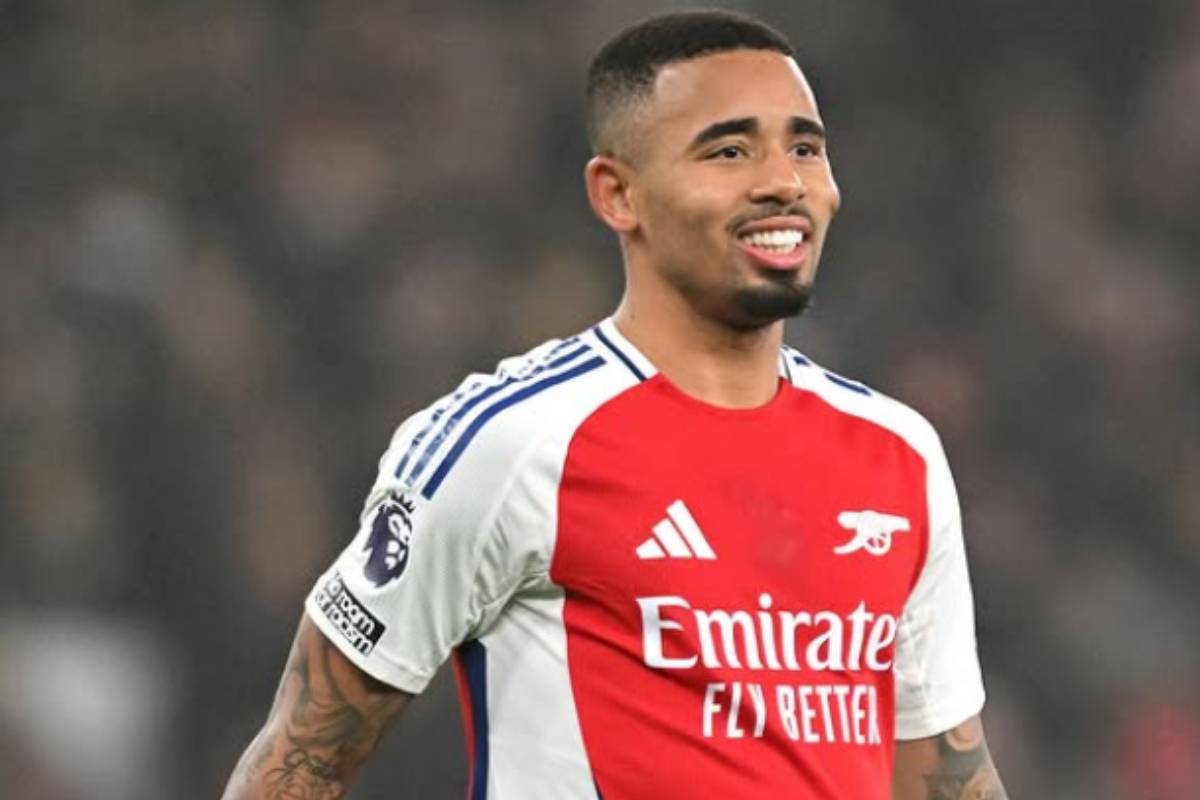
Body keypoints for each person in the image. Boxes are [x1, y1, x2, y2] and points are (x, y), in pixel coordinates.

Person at [222, 10, 1008, 799]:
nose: (784, 181)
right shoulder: (508, 444)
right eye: (729, 151)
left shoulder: (899, 454)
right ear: (618, 194)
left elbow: (949, 778)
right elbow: (303, 758)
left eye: (804, 147)